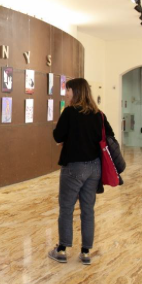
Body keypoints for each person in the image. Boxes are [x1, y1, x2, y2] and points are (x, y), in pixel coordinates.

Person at [48, 78, 114, 266]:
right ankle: (85, 252)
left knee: (66, 208)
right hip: (94, 167)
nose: (66, 93)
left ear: (75, 91)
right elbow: (109, 135)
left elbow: (58, 136)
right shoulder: (98, 114)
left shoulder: (70, 112)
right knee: (88, 209)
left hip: (74, 167)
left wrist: (68, 136)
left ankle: (62, 249)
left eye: (68, 90)